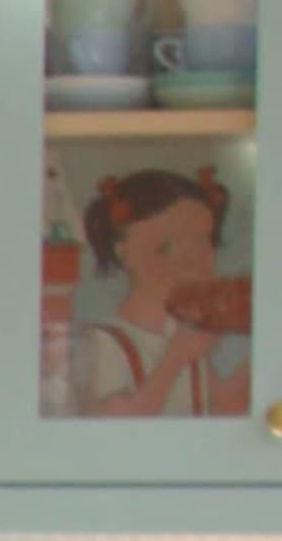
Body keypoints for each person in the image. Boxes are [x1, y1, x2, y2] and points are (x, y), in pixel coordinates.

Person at [71, 167, 250, 418]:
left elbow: (224, 409)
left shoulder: (185, 333)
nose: (192, 260)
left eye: (203, 241)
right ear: (123, 250)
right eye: (168, 246)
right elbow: (113, 427)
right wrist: (175, 358)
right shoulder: (104, 341)